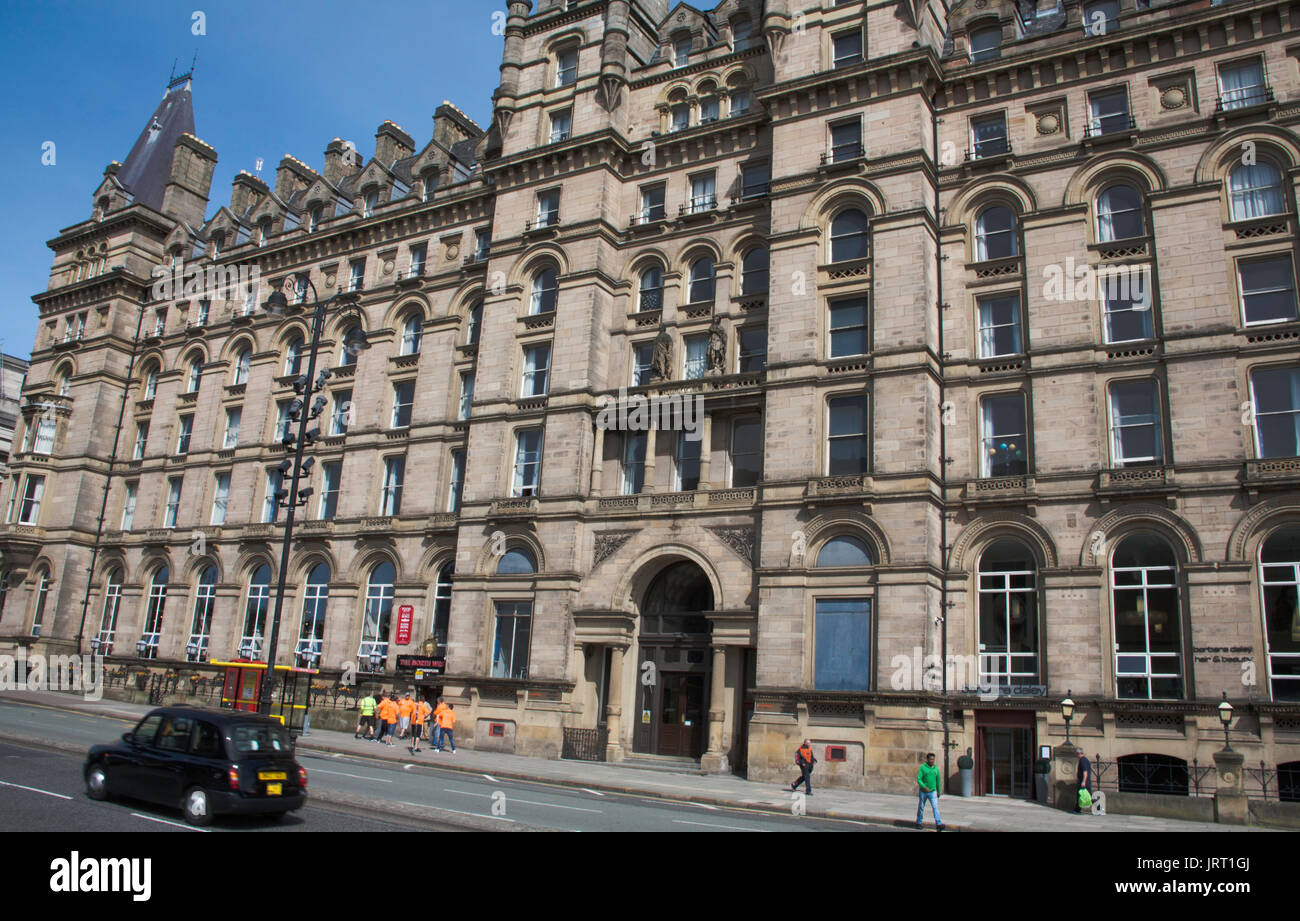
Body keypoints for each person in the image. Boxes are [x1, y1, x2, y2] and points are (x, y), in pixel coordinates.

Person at [916, 752, 943, 830]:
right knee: (921, 807)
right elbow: (919, 779)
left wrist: (939, 791)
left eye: (933, 759)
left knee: (935, 807)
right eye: (930, 759)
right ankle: (919, 822)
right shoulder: (923, 768)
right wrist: (924, 786)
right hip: (923, 792)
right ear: (927, 759)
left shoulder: (936, 769)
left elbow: (938, 780)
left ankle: (938, 824)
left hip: (933, 791)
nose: (932, 761)